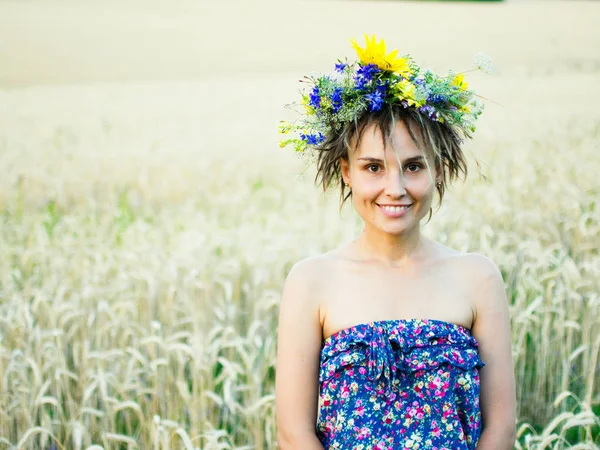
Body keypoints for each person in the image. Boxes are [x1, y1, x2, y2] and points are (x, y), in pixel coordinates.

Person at [275, 36, 516, 450]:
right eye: (374, 167)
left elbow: (501, 429)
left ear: (438, 170)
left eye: (413, 166)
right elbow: (294, 433)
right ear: (346, 171)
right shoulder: (312, 281)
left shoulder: (477, 277)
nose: (396, 188)